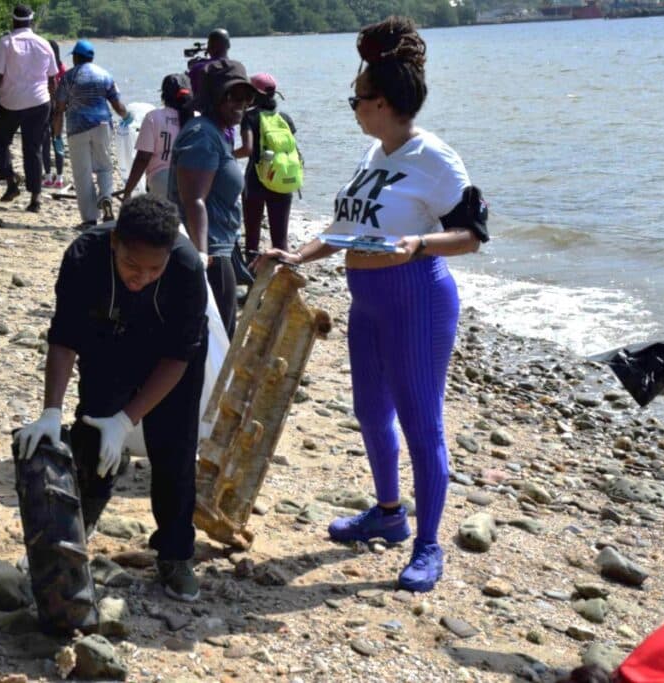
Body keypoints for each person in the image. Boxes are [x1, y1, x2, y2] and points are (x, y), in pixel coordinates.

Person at [255, 17, 489, 593]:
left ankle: (429, 545)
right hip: (368, 304)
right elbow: (343, 229)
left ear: (382, 103)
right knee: (369, 412)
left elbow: (473, 235)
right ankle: (388, 514)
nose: (353, 107)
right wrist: (295, 256)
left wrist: (421, 243)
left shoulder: (435, 159)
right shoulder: (373, 153)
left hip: (416, 300)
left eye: (357, 99)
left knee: (422, 425)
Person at [14, 194, 208, 602]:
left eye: (154, 269)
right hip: (109, 338)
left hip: (170, 356)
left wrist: (128, 421)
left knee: (174, 451)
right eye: (132, 266)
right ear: (115, 241)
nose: (142, 277)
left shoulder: (187, 267)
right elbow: (64, 336)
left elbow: (179, 357)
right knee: (92, 434)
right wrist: (51, 410)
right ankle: (76, 531)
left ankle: (175, 555)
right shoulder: (85, 256)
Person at [170, 58, 258, 339]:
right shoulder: (202, 136)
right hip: (210, 254)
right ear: (213, 96)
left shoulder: (217, 133)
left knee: (221, 334)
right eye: (233, 96)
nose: (241, 104)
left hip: (222, 246)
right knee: (216, 337)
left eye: (247, 97)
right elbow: (193, 200)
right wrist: (202, 255)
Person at [0, 4, 57, 212]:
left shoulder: (6, 43)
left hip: (10, 102)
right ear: (31, 21)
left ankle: (11, 183)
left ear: (12, 20)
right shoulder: (44, 44)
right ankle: (35, 198)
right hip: (39, 102)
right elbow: (52, 80)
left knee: (0, 141)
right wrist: (53, 107)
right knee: (32, 149)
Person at [53, 38, 131, 229]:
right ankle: (105, 198)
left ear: (77, 57)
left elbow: (59, 108)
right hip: (103, 125)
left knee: (83, 172)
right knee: (105, 166)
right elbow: (117, 105)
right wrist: (128, 116)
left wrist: (56, 136)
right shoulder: (104, 75)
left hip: (77, 127)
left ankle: (89, 219)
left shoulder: (69, 77)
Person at [239, 72, 297, 254]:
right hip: (283, 179)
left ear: (253, 94)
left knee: (252, 236)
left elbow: (247, 149)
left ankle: (252, 275)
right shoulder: (284, 118)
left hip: (256, 180)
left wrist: (225, 155)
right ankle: (281, 274)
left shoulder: (249, 117)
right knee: (280, 239)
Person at [120, 72, 193, 201]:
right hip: (193, 178)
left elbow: (143, 158)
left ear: (163, 95)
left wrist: (128, 190)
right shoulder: (197, 118)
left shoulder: (153, 117)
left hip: (161, 180)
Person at [40, 38, 65, 189]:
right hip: (58, 111)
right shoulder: (62, 68)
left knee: (45, 143)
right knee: (58, 141)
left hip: (44, 107)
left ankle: (48, 177)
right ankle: (60, 178)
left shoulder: (43, 66)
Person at [187, 28, 229, 96]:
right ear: (228, 46)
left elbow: (190, 89)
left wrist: (193, 68)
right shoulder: (237, 67)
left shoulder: (198, 68)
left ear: (209, 47)